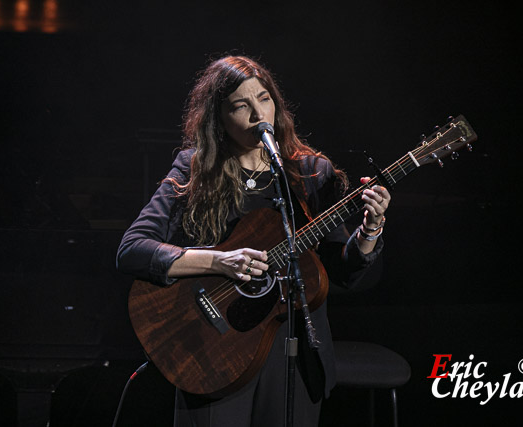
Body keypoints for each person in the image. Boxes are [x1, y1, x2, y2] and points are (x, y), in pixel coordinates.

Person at [116, 55, 391, 427]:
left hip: (291, 348)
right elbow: (133, 250)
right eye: (240, 105)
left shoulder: (309, 174)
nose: (257, 113)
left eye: (263, 98)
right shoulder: (193, 168)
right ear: (219, 118)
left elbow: (342, 272)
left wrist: (370, 230)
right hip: (213, 348)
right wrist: (219, 260)